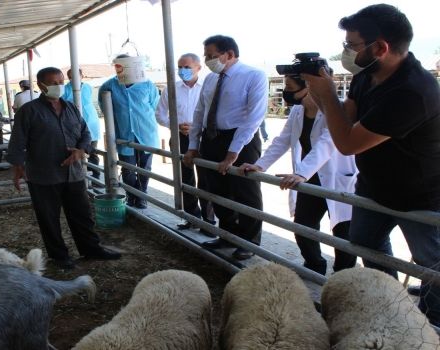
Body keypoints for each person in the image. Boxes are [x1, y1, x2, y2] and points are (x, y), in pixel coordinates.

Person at [302, 4, 440, 325]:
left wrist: (326, 93)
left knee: (431, 262)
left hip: (421, 195)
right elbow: (345, 117)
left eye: (352, 45)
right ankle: (392, 303)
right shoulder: (367, 76)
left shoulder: (412, 91)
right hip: (374, 188)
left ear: (380, 47)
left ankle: (433, 322)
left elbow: (347, 143)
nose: (346, 52)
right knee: (366, 243)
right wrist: (321, 92)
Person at [240, 74, 357, 275]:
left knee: (343, 232)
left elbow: (327, 143)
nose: (286, 91)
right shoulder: (297, 110)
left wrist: (301, 173)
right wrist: (260, 165)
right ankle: (314, 265)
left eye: (289, 86)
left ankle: (343, 275)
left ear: (310, 86)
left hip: (336, 178)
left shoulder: (336, 109)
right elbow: (282, 140)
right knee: (303, 226)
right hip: (309, 178)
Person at [7, 67, 121, 269]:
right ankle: (59, 257)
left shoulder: (70, 107)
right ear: (41, 85)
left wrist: (81, 150)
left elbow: (85, 133)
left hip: (73, 173)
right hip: (43, 175)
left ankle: (91, 249)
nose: (59, 86)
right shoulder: (29, 111)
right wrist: (17, 167)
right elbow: (17, 141)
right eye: (53, 83)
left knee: (82, 214)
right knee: (49, 218)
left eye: (61, 82)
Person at [183, 35, 267, 260]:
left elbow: (254, 117)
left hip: (242, 140)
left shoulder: (254, 75)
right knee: (216, 188)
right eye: (206, 56)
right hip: (212, 138)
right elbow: (200, 112)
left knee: (245, 190)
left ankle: (249, 241)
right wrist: (193, 145)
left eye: (211, 55)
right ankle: (228, 235)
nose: (208, 60)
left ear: (229, 54)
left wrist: (233, 152)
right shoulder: (211, 79)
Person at [155, 53, 215, 232]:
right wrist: (176, 126)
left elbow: (213, 114)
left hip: (204, 138)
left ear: (198, 68)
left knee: (206, 179)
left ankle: (208, 221)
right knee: (185, 179)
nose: (182, 70)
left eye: (187, 67)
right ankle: (192, 217)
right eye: (180, 67)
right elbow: (160, 114)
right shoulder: (171, 89)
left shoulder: (207, 87)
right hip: (180, 137)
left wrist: (198, 127)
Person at [98, 54, 159, 209]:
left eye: (122, 66)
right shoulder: (108, 86)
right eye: (117, 66)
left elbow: (155, 106)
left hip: (146, 133)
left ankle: (142, 195)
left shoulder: (147, 85)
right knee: (128, 169)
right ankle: (134, 195)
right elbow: (106, 108)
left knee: (145, 168)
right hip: (123, 133)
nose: (119, 69)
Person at [62, 68, 102, 183]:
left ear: (82, 76)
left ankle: (96, 178)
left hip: (92, 123)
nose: (73, 79)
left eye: (76, 76)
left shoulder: (88, 87)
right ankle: (80, 179)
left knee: (92, 152)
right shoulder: (65, 90)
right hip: (75, 126)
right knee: (77, 152)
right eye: (70, 76)